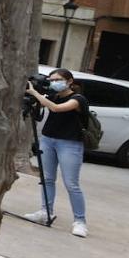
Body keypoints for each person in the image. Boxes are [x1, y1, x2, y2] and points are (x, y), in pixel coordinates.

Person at [23, 69, 90, 237]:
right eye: (51, 80)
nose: (54, 83)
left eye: (58, 80)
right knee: (47, 179)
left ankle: (80, 221)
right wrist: (34, 94)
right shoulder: (53, 95)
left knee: (71, 184)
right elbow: (43, 105)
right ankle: (45, 211)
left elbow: (56, 109)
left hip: (70, 144)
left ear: (69, 81)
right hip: (48, 140)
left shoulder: (78, 99)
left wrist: (34, 93)